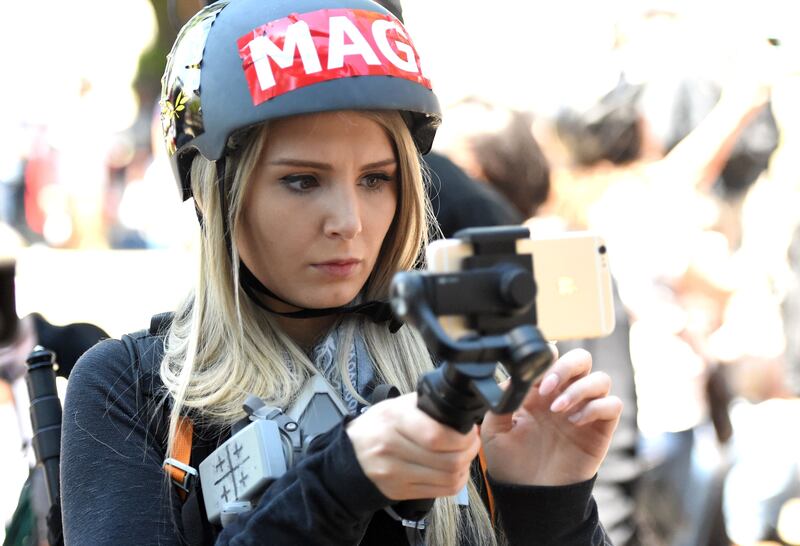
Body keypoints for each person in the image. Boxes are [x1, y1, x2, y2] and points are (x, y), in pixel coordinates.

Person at [60, 1, 622, 545]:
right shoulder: (132, 388)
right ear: (216, 193)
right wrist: (340, 483)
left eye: (376, 179)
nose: (349, 222)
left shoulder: (464, 369)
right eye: (302, 180)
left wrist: (553, 505)